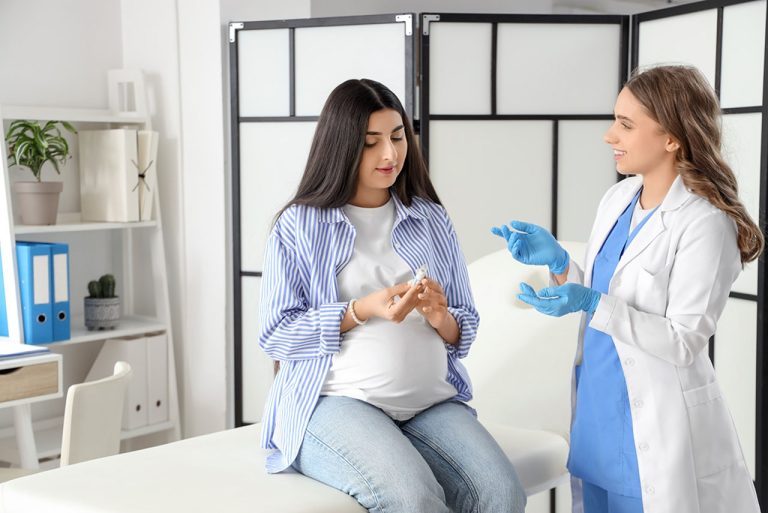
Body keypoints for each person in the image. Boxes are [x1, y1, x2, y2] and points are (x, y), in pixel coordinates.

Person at [493, 65, 763, 513]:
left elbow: (684, 340)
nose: (609, 135)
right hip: (597, 414)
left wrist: (590, 301)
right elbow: (607, 295)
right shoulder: (617, 199)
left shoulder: (704, 222)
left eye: (626, 124)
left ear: (671, 138)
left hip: (653, 424)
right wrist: (561, 265)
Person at [259, 78, 526, 513]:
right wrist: (361, 309)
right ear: (342, 146)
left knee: (501, 493)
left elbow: (465, 326)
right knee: (411, 498)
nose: (390, 154)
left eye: (398, 137)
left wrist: (441, 317)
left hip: (429, 402)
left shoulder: (430, 219)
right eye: (371, 143)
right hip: (336, 401)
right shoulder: (300, 225)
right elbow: (276, 335)